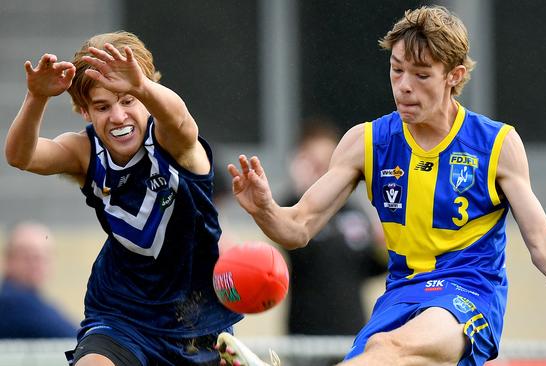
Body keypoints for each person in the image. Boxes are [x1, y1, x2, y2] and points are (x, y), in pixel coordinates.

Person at [217, 5, 546, 366]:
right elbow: (298, 229)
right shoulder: (366, 142)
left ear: (454, 76)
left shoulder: (496, 144)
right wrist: (265, 209)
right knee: (370, 356)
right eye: (396, 70)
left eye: (421, 75)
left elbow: (541, 239)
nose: (404, 86)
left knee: (387, 349)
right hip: (401, 293)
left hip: (469, 291)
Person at [4, 31, 243, 365]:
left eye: (128, 99)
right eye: (102, 107)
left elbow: (181, 120)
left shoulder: (173, 141)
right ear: (85, 111)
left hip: (195, 324)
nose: (117, 117)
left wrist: (141, 85)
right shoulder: (86, 152)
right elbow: (21, 156)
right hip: (121, 316)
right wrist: (36, 98)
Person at [281, 119, 385, 338]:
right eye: (316, 163)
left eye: (328, 162)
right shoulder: (292, 207)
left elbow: (369, 267)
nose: (324, 171)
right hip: (306, 334)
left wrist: (385, 249)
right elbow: (297, 251)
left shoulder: (353, 210)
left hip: (351, 329)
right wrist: (304, 190)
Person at [0, 221, 77, 338]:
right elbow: (76, 338)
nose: (36, 263)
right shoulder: (13, 302)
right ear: (8, 259)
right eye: (27, 255)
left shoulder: (35, 299)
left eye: (44, 255)